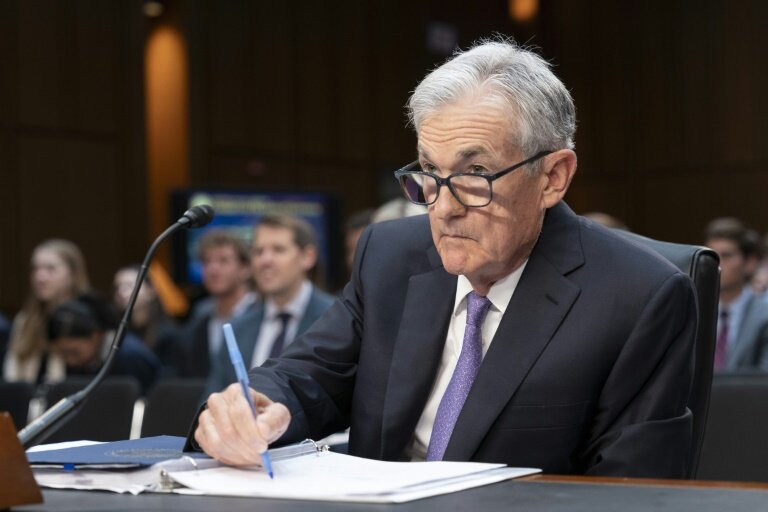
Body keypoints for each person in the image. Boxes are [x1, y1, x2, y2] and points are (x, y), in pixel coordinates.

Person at [191, 38, 697, 478]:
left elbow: (633, 492)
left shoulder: (638, 298)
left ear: (552, 177)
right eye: (430, 172)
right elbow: (308, 377)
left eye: (475, 174)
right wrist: (256, 405)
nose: (443, 208)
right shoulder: (390, 257)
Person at [205, 215, 334, 394]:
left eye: (278, 250)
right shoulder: (238, 328)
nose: (265, 260)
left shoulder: (334, 320)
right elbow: (211, 397)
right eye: (258, 251)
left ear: (307, 257)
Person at [2, 239, 91, 384]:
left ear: (73, 275)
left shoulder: (90, 321)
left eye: (50, 269)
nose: (40, 277)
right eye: (35, 269)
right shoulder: (24, 320)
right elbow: (11, 377)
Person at [47, 294, 161, 394]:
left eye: (74, 352)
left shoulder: (130, 356)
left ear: (95, 336)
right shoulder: (82, 362)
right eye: (63, 354)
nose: (70, 361)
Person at [179, 230, 256, 378]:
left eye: (223, 261)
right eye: (206, 262)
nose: (213, 269)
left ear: (245, 269)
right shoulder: (199, 320)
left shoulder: (264, 314)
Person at [704, 217, 768, 371]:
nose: (716, 264)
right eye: (711, 256)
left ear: (749, 262)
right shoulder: (694, 311)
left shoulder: (764, 313)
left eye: (726, 256)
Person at [113, 265, 183, 378]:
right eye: (118, 287)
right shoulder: (119, 332)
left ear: (151, 290)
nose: (122, 292)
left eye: (130, 285)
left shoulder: (169, 334)